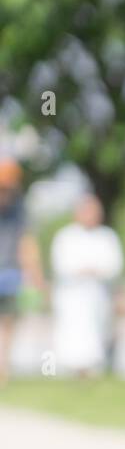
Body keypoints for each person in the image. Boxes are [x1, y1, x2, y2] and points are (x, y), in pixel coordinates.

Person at [50, 193, 122, 377]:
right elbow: (61, 265)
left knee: (96, 335)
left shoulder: (107, 236)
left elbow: (114, 266)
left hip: (97, 295)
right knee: (72, 334)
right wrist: (81, 271)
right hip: (72, 296)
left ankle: (92, 370)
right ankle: (70, 369)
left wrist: (96, 271)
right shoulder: (66, 236)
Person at [0, 158, 48, 387]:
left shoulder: (19, 208)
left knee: (8, 323)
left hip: (9, 273)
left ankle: (3, 369)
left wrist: (37, 278)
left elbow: (26, 243)